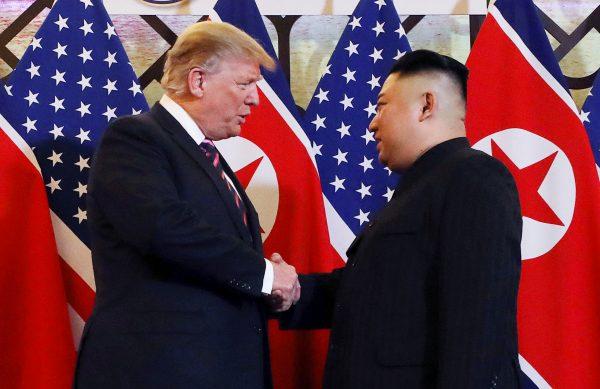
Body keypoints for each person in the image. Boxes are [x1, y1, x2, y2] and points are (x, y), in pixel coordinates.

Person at [277, 50, 523, 388]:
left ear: (426, 106)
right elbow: (374, 293)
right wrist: (290, 291)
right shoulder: (421, 188)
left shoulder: (474, 176)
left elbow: (477, 324)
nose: (372, 122)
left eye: (381, 106)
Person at [74, 21, 299, 389]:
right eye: (245, 84)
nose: (256, 99)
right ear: (198, 81)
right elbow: (166, 229)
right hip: (158, 373)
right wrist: (265, 275)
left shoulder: (205, 154)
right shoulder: (135, 139)